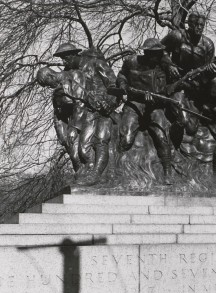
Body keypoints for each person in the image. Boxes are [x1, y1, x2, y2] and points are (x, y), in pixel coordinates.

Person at [116, 38, 174, 184]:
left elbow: (164, 92)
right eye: (154, 54)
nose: (157, 57)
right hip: (134, 103)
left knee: (162, 136)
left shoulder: (162, 68)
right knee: (126, 138)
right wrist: (122, 84)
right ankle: (117, 169)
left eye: (159, 53)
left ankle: (167, 172)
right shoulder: (131, 62)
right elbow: (122, 74)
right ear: (146, 53)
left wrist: (154, 98)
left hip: (154, 106)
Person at [162, 12, 216, 138]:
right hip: (176, 84)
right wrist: (169, 64)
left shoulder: (208, 45)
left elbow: (207, 74)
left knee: (192, 129)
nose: (199, 27)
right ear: (189, 25)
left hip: (194, 89)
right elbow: (161, 50)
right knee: (182, 120)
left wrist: (211, 74)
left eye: (202, 25)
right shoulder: (177, 36)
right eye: (196, 24)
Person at [75, 48, 117, 184]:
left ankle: (96, 175)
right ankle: (89, 170)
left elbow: (114, 85)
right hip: (90, 110)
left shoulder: (98, 64)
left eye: (66, 57)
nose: (64, 61)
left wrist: (109, 103)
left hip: (105, 109)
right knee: (84, 145)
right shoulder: (77, 72)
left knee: (101, 140)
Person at [36, 67, 86, 172]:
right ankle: (81, 175)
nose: (49, 87)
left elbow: (80, 103)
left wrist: (75, 128)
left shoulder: (73, 76)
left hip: (81, 121)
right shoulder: (56, 92)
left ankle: (84, 176)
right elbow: (57, 114)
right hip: (68, 124)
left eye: (48, 83)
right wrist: (61, 135)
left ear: (51, 76)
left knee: (81, 154)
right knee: (74, 155)